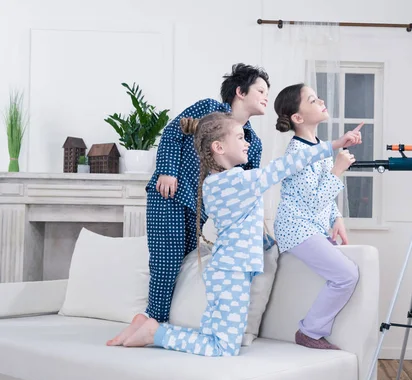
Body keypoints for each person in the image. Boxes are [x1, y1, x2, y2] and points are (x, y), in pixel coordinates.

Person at [117, 111, 361, 356]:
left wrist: (268, 243)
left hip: (227, 270)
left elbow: (244, 222)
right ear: (219, 147)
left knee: (213, 337)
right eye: (240, 137)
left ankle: (151, 327)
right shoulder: (236, 183)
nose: (247, 143)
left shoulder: (218, 182)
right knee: (224, 347)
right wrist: (333, 146)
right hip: (232, 273)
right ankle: (154, 333)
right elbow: (284, 166)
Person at [107, 63, 270, 346]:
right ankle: (154, 325)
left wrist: (259, 230)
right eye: (261, 90)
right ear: (240, 92)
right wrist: (168, 171)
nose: (266, 97)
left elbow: (249, 188)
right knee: (166, 263)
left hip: (198, 212)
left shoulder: (252, 143)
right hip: (168, 194)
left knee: (176, 265)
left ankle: (146, 322)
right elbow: (172, 134)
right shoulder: (209, 109)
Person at [273, 83, 364, 350]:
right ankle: (310, 331)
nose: (321, 100)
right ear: (297, 118)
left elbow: (321, 196)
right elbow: (313, 202)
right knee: (347, 275)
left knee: (347, 270)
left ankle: (314, 330)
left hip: (312, 226)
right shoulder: (296, 154)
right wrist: (338, 168)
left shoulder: (319, 146)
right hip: (296, 228)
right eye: (312, 100)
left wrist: (337, 218)